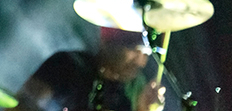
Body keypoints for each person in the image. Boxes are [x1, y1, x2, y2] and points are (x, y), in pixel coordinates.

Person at [13, 28, 166, 111]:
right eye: (134, 50)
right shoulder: (65, 66)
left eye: (145, 54)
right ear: (108, 43)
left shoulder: (125, 98)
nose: (140, 62)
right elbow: (22, 106)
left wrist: (143, 109)